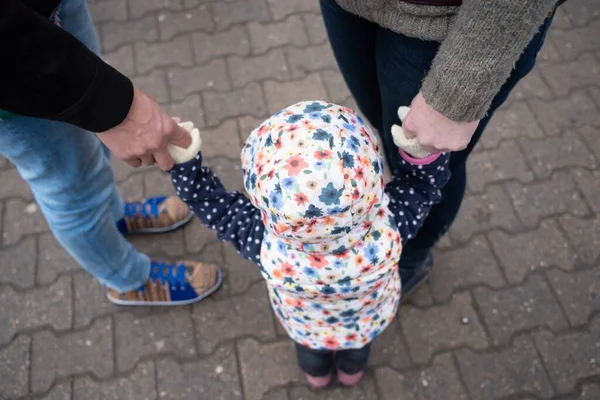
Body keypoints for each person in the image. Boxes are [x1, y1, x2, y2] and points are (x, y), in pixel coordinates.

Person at [165, 101, 450, 387]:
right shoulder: (391, 224)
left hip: (307, 328)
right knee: (357, 352)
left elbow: (217, 208)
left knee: (311, 357)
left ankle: (318, 378)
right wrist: (422, 154)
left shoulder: (263, 241)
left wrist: (186, 168)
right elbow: (421, 187)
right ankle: (352, 375)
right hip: (364, 323)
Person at [319, 0, 562, 298]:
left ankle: (411, 258)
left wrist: (458, 91)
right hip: (348, 7)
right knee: (386, 131)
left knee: (427, 169)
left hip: (447, 24)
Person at [0, 0, 222, 305]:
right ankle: (128, 279)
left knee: (92, 142)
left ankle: (115, 217)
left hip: (51, 7)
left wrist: (97, 107)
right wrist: (106, 102)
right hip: (11, 63)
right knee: (72, 186)